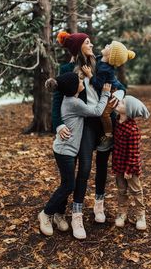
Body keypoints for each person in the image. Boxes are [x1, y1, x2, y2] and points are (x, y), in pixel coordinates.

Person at [51, 31, 118, 239]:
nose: (92, 45)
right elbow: (57, 101)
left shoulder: (99, 64)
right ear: (79, 46)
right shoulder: (67, 69)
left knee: (102, 166)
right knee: (85, 166)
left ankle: (99, 205)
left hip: (104, 121)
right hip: (86, 123)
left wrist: (120, 93)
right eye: (88, 42)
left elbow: (115, 83)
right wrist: (58, 124)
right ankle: (76, 215)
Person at [38, 72, 111, 239]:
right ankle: (46, 213)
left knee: (66, 183)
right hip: (65, 152)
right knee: (69, 185)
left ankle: (57, 213)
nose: (81, 80)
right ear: (73, 88)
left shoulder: (71, 100)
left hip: (66, 150)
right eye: (78, 80)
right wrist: (105, 93)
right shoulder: (74, 103)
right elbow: (98, 110)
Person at [82, 41, 135, 152]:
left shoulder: (106, 69)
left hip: (112, 93)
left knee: (104, 113)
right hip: (109, 90)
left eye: (109, 47)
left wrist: (89, 75)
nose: (106, 45)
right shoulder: (100, 58)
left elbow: (98, 84)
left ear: (110, 55)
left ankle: (109, 135)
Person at [112, 95, 150, 230]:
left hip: (130, 168)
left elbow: (134, 153)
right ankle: (122, 213)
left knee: (135, 190)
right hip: (119, 165)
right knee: (121, 190)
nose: (118, 102)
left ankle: (141, 215)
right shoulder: (117, 121)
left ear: (128, 111)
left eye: (122, 102)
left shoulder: (132, 130)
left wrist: (129, 170)